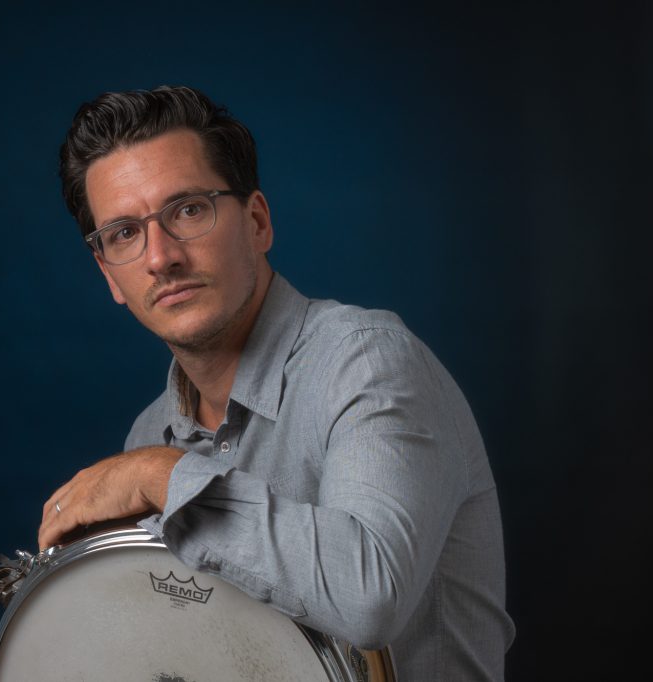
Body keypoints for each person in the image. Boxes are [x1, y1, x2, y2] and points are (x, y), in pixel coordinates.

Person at [37, 85, 515, 680]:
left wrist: (162, 477)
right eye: (125, 233)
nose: (161, 257)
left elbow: (371, 596)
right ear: (110, 275)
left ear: (258, 222)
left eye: (188, 209)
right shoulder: (151, 429)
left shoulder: (370, 363)